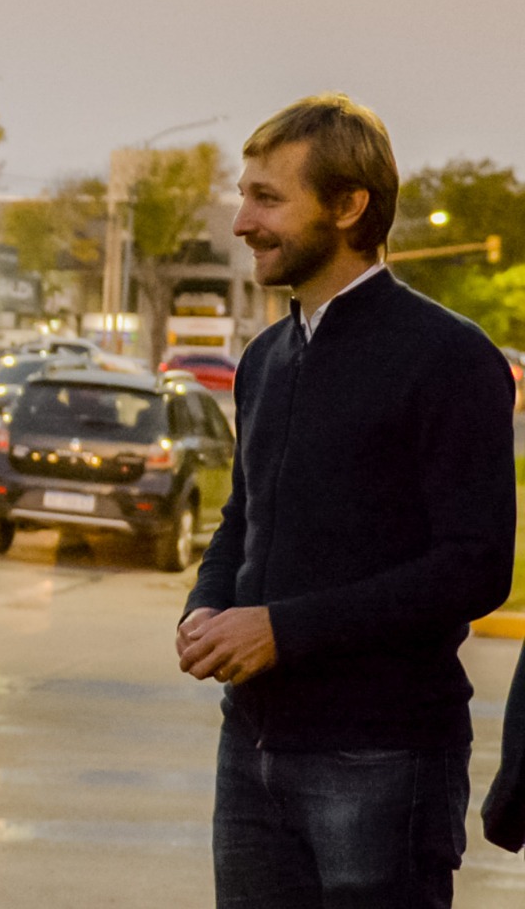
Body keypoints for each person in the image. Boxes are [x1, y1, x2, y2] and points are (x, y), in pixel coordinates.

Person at [175, 94, 516, 907]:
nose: (241, 222)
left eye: (267, 197)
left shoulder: (450, 356)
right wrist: (207, 602)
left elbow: (475, 567)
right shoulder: (264, 357)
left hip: (382, 756)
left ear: (349, 204)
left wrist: (281, 629)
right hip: (249, 746)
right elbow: (240, 515)